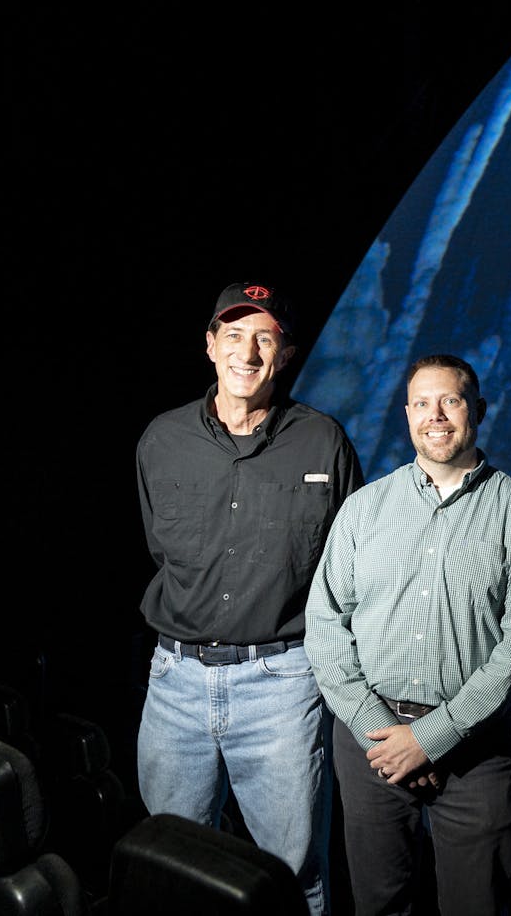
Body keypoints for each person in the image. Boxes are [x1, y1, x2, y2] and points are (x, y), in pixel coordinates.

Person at [135, 281, 363, 915]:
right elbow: (163, 550)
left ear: (286, 355)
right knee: (171, 865)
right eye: (233, 335)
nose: (248, 352)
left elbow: (348, 571)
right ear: (210, 346)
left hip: (282, 686)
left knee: (293, 874)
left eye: (265, 338)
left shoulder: (324, 443)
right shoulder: (161, 440)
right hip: (174, 683)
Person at [305, 353, 511, 916]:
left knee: (478, 905)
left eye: (451, 400)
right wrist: (379, 731)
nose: (435, 415)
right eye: (422, 403)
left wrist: (432, 737)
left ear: (478, 411)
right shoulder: (364, 510)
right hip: (372, 747)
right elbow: (324, 625)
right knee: (377, 903)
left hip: (476, 752)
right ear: (407, 414)